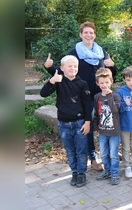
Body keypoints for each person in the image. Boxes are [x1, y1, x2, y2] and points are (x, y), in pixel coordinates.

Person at [44, 21, 117, 171]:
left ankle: (110, 151)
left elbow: (111, 74)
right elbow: (63, 71)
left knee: (107, 122)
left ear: (95, 35)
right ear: (81, 34)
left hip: (102, 95)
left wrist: (112, 65)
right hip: (85, 98)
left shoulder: (101, 52)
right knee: (88, 128)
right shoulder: (74, 52)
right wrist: (49, 68)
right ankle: (93, 157)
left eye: (91, 32)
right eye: (86, 32)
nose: (89, 35)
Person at [40, 55, 91, 187]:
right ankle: (74, 172)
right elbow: (43, 93)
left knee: (81, 150)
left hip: (80, 123)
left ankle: (81, 173)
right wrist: (52, 80)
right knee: (70, 150)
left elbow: (87, 105)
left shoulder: (82, 84)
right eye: (69, 66)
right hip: (64, 123)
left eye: (75, 66)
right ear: (62, 68)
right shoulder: (59, 81)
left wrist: (87, 122)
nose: (73, 68)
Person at [93, 68, 121, 185]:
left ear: (111, 82)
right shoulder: (97, 97)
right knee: (104, 154)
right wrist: (96, 127)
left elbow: (115, 110)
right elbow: (96, 113)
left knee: (113, 155)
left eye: (107, 82)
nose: (104, 85)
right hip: (103, 131)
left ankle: (114, 173)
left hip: (114, 132)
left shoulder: (116, 96)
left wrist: (109, 97)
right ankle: (107, 171)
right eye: (102, 83)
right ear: (97, 83)